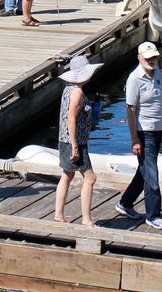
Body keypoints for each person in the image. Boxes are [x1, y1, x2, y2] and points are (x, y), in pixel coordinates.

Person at [114, 41, 162, 230]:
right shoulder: (134, 79)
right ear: (139, 58)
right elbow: (130, 110)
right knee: (152, 175)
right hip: (144, 133)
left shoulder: (158, 72)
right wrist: (134, 139)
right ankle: (153, 215)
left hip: (158, 130)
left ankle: (125, 203)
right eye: (148, 58)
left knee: (144, 170)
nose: (152, 61)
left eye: (154, 57)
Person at [54, 55, 103, 226]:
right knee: (90, 178)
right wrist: (75, 146)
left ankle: (58, 215)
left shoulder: (68, 88)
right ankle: (86, 219)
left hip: (64, 139)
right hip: (75, 141)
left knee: (67, 175)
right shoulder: (77, 92)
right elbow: (71, 119)